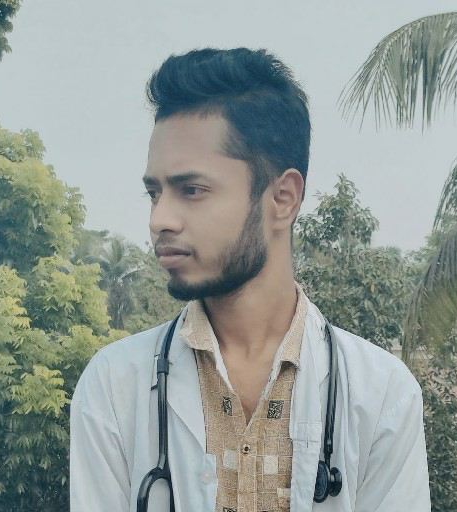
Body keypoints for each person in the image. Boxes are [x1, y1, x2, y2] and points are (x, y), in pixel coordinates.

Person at [70, 47, 431, 512]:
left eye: (191, 190)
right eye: (154, 193)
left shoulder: (381, 396)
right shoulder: (112, 386)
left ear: (282, 198)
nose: (159, 219)